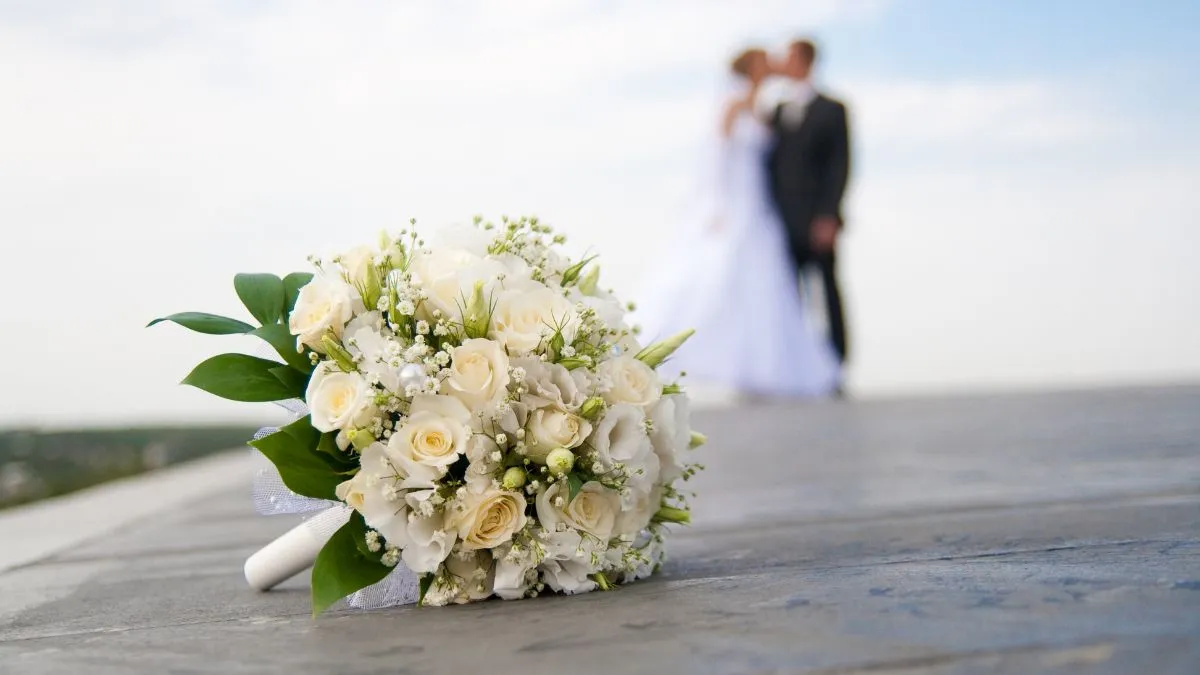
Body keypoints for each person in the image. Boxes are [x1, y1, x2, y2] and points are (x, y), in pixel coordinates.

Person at [636, 47, 840, 398]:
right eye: (764, 61)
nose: (772, 64)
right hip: (736, 203)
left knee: (765, 286)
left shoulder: (767, 109)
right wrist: (717, 205)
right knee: (721, 277)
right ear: (750, 68)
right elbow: (716, 156)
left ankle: (761, 369)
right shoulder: (732, 104)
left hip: (762, 206)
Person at [762, 39, 852, 367]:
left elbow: (840, 165)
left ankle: (836, 363)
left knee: (827, 291)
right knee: (788, 296)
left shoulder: (833, 109)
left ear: (804, 60)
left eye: (788, 57)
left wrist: (829, 215)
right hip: (781, 221)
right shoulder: (775, 112)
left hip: (818, 220)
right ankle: (796, 366)